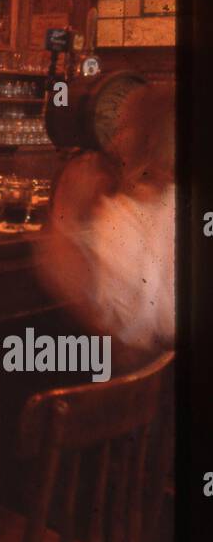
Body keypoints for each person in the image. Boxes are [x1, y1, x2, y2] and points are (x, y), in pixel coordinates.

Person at [36, 82, 175, 364]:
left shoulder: (127, 216)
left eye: (123, 128)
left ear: (147, 139)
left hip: (139, 397)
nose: (113, 141)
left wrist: (66, 216)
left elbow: (122, 328)